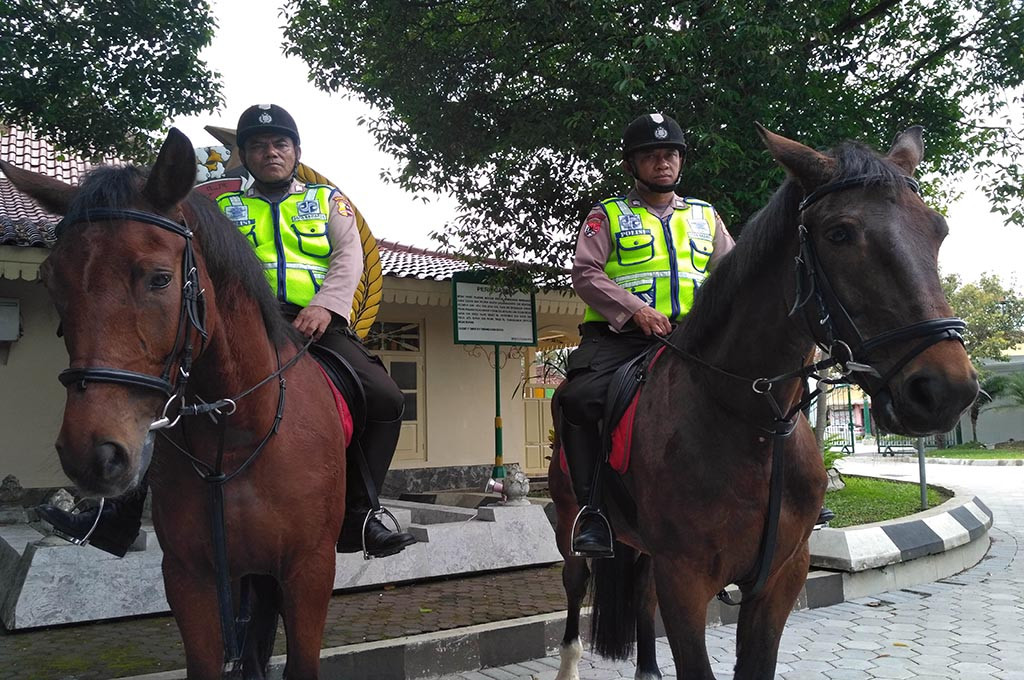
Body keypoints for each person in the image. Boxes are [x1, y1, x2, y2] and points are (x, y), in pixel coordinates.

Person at [37, 104, 416, 559]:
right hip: (238, 319)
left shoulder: (326, 201)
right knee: (165, 385)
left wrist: (327, 306)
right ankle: (114, 517)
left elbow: (348, 258)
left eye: (280, 143)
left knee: (385, 397)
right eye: (257, 145)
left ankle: (361, 515)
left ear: (296, 151)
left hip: (311, 320)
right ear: (244, 154)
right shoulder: (220, 203)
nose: (270, 152)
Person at [558, 112, 737, 557]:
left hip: (695, 339)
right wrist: (635, 309)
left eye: (671, 154)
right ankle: (593, 511)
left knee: (767, 378)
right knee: (577, 401)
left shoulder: (705, 216)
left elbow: (733, 273)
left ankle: (792, 487)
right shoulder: (608, 215)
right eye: (652, 156)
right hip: (622, 340)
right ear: (631, 166)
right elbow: (585, 273)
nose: (663, 163)